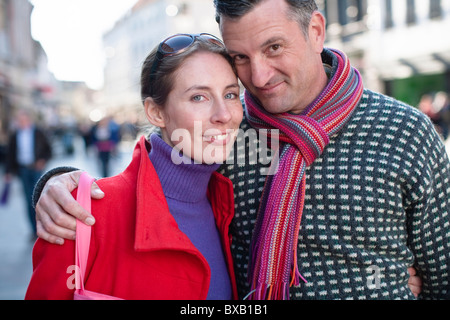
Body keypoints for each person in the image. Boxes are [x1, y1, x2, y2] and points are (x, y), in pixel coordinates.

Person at [33, 0, 449, 300]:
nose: (260, 76)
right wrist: (57, 184)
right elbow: (154, 183)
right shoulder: (234, 132)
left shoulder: (402, 131)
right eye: (240, 58)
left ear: (316, 30)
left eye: (273, 47)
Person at [26, 33, 242, 300]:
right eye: (199, 97)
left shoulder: (232, 204)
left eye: (231, 94)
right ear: (156, 112)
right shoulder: (79, 215)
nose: (225, 114)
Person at [4, 108, 52, 237]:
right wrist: (7, 172)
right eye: (19, 120)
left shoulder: (38, 133)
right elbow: (10, 154)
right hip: (23, 169)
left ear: (29, 120)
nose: (21, 122)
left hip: (36, 169)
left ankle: (43, 226)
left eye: (23, 120)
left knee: (38, 198)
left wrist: (42, 161)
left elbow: (48, 149)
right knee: (28, 199)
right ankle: (34, 229)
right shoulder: (15, 135)